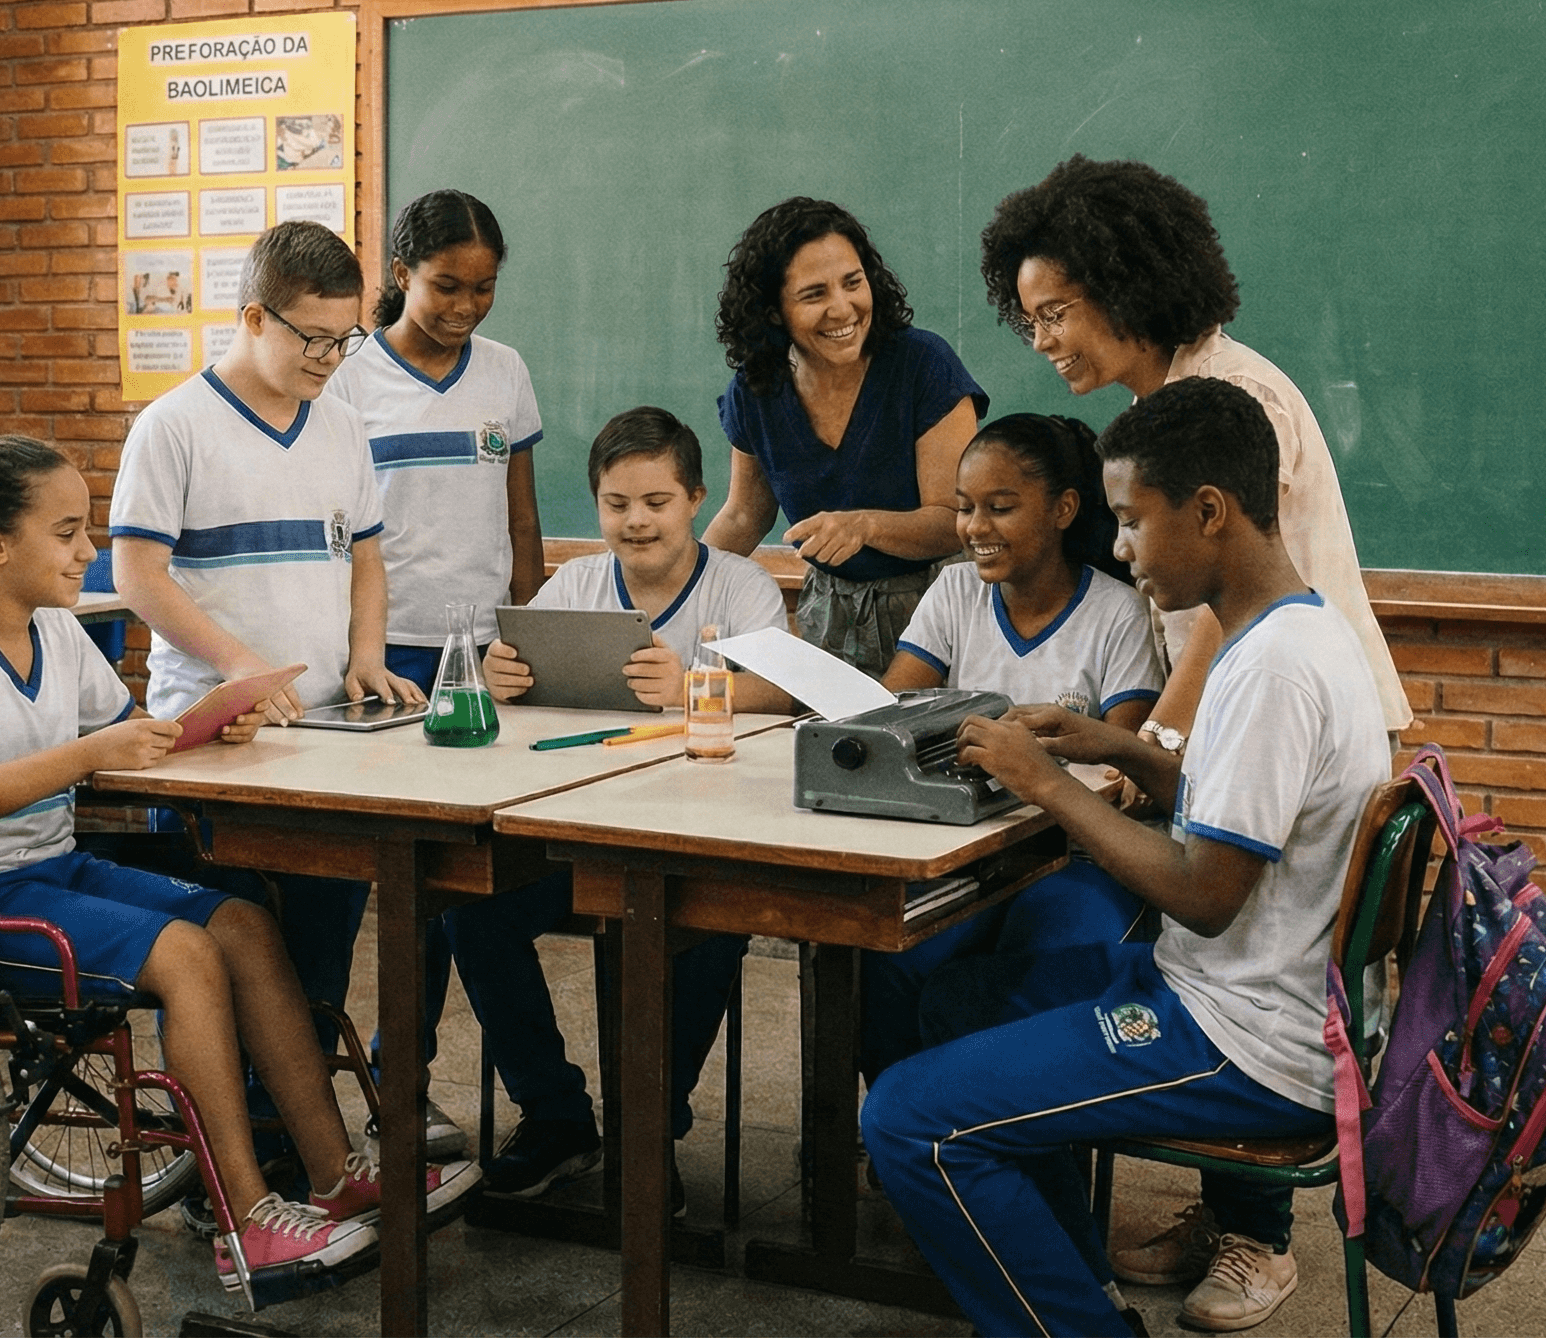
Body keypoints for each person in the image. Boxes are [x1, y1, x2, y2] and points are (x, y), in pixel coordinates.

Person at [861, 378, 1392, 1338]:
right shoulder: (1296, 632)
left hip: (1242, 1038)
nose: (1120, 549)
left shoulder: (1269, 669)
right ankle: (1080, 1288)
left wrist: (1046, 783)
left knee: (906, 1118)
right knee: (951, 1004)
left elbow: (1206, 896)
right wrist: (1120, 750)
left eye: (1132, 522)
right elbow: (1248, 814)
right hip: (1255, 995)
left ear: (1210, 512)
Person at [980, 156, 1411, 1328]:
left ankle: (1254, 1234)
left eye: (1056, 312)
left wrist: (1140, 746)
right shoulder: (1154, 401)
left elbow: (1230, 616)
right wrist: (1126, 751)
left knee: (1235, 943)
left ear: (1123, 285)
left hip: (1289, 711)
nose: (1043, 341)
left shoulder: (1228, 401)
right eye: (1028, 321)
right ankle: (1221, 1204)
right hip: (1261, 703)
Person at [0, 434, 422, 1289]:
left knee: (242, 924)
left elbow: (117, 743)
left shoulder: (55, 632)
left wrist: (202, 724)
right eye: (68, 532)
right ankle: (246, 1223)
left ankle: (334, 1175)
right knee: (189, 956)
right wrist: (90, 755)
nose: (89, 551)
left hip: (46, 863)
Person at [110, 222, 476, 1203]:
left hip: (321, 741)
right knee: (221, 974)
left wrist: (363, 659)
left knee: (313, 967)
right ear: (250, 318)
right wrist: (239, 665)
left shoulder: (340, 424)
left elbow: (362, 554)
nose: (327, 359)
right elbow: (135, 573)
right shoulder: (175, 425)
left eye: (343, 338)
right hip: (212, 747)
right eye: (310, 339)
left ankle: (308, 1168)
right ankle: (229, 1182)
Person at [455, 407, 790, 1201]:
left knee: (707, 930)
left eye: (656, 501)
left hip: (699, 839)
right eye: (616, 504)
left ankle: (650, 1128)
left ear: (698, 499)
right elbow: (524, 682)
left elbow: (788, 691)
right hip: (579, 834)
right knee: (472, 909)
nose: (636, 522)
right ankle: (556, 1116)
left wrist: (695, 688)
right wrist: (502, 677)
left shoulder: (740, 586)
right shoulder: (574, 583)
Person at [323, 188, 544, 1161]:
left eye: (484, 287)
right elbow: (332, 527)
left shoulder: (502, 374)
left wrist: (528, 627)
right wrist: (351, 655)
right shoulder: (349, 380)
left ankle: (398, 1083)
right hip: (387, 656)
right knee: (419, 882)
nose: (464, 306)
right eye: (446, 285)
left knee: (455, 884)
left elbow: (520, 520)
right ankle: (398, 1086)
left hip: (484, 655)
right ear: (399, 274)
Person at [860, 412, 1166, 1081]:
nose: (975, 529)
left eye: (1000, 508)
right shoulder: (954, 592)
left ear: (1062, 509)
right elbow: (889, 712)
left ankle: (989, 1137)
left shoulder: (1115, 614)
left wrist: (1036, 764)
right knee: (886, 961)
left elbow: (1125, 777)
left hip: (1077, 857)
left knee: (1033, 974)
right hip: (970, 851)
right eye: (965, 509)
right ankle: (907, 1132)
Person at [703, 198, 987, 676]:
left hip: (940, 611)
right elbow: (745, 513)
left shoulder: (922, 365)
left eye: (853, 283)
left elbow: (953, 522)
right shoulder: (758, 387)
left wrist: (866, 525)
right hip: (827, 616)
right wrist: (684, 576)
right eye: (814, 294)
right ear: (774, 312)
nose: (843, 308)